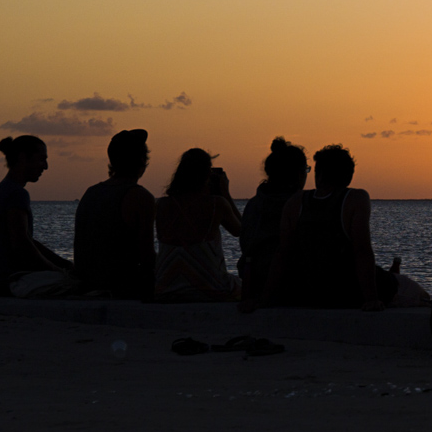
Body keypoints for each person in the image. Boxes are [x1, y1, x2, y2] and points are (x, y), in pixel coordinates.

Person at [261, 144, 426, 311]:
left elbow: (283, 253)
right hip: (350, 291)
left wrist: (264, 299)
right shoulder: (355, 199)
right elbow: (362, 251)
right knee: (418, 294)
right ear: (348, 176)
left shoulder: (295, 202)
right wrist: (371, 299)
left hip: (311, 292)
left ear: (320, 174)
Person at [0, 135, 74, 291]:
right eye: (41, 159)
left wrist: (65, 265)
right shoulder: (16, 193)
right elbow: (21, 244)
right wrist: (58, 271)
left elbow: (27, 241)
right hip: (11, 281)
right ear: (23, 158)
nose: (46, 166)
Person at [72, 129, 156, 299]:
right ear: (142, 160)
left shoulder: (91, 192)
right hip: (121, 285)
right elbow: (147, 256)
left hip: (86, 282)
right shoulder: (141, 197)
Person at [153, 148, 243, 302]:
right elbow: (241, 230)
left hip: (166, 287)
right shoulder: (216, 204)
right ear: (206, 175)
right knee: (245, 286)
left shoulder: (161, 205)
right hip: (210, 287)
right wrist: (225, 193)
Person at [238, 137, 307, 302]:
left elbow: (245, 242)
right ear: (298, 174)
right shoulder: (302, 205)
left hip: (253, 281)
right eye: (306, 170)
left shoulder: (254, 204)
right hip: (290, 284)